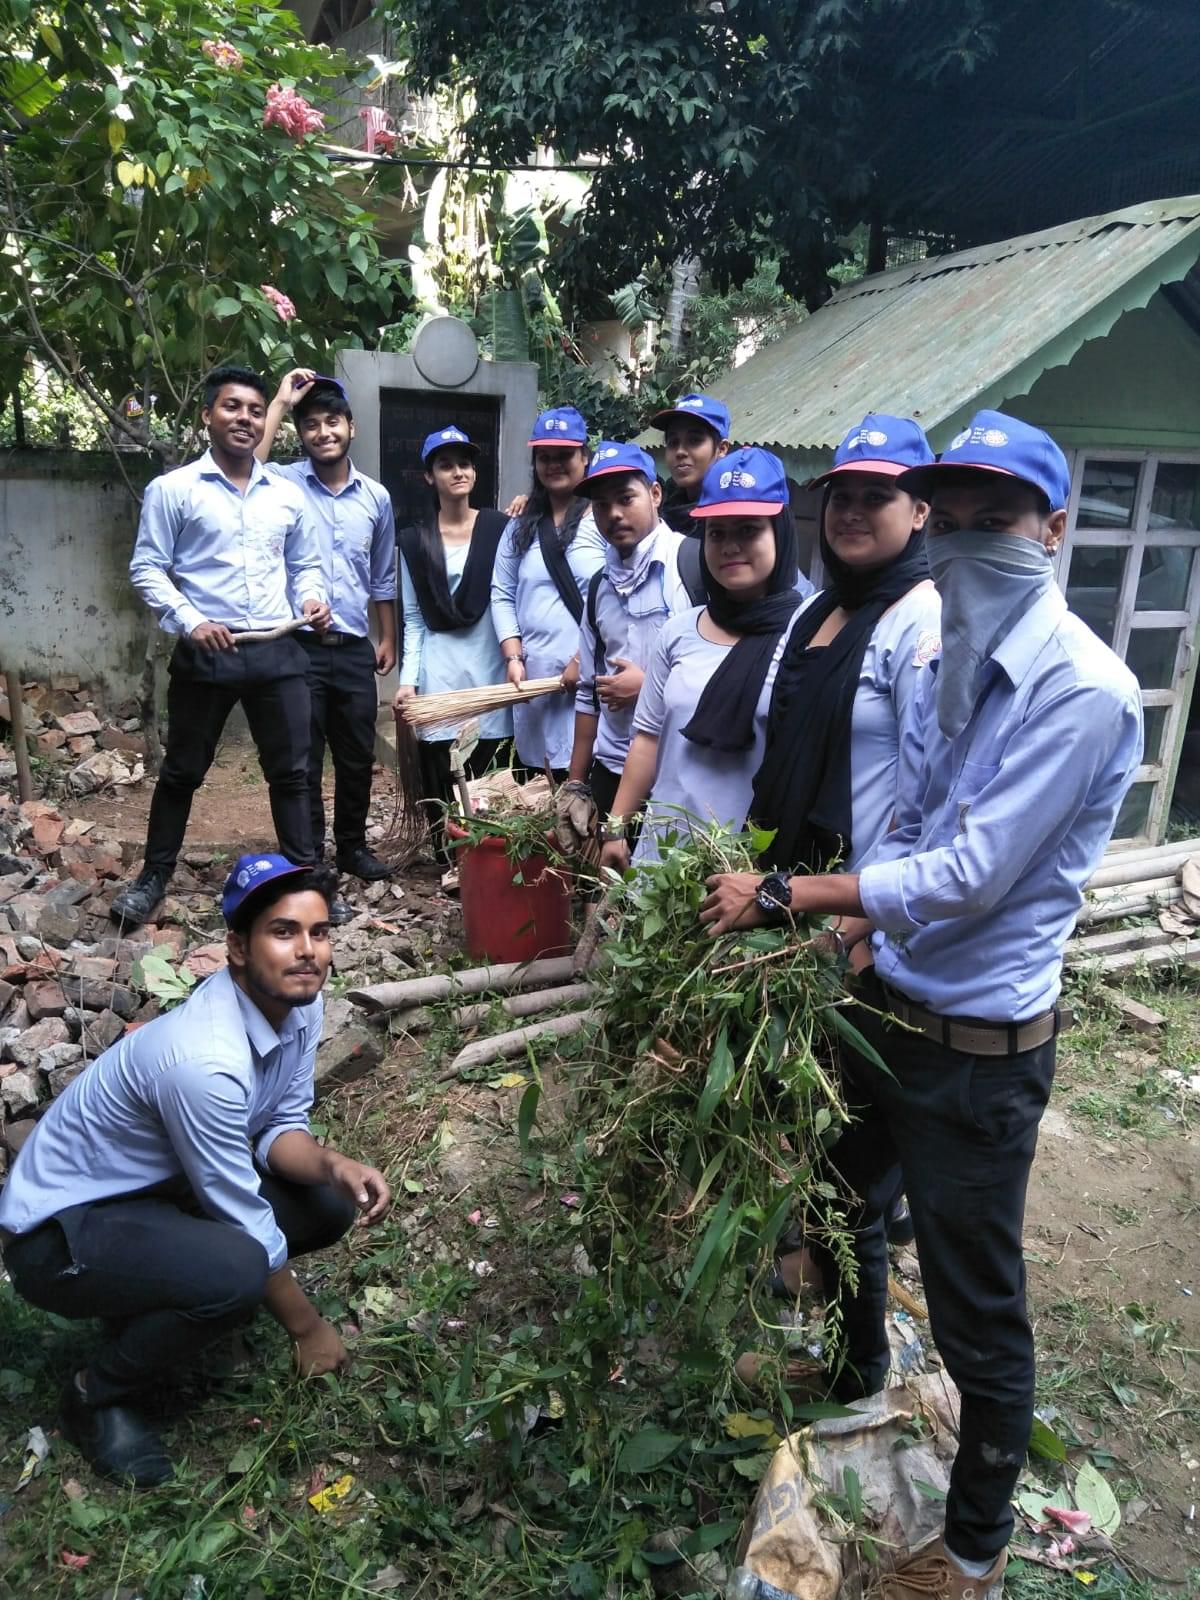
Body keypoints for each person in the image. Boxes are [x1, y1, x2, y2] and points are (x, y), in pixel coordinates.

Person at [699, 411, 1143, 1600]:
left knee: (974, 1304)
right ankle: (847, 1384)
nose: (960, 542)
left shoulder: (1084, 688)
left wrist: (792, 893)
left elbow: (969, 875)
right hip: (889, 1006)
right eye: (947, 520)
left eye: (991, 520)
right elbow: (905, 821)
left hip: (981, 1054)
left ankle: (977, 1549)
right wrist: (858, 918)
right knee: (841, 1205)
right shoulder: (943, 649)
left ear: (1050, 530)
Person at [0, 855, 391, 1488]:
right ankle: (94, 1395)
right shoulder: (204, 1062)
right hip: (56, 1235)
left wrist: (333, 1163)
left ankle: (149, 1298)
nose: (308, 951)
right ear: (237, 947)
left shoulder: (298, 1006)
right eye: (284, 932)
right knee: (235, 1273)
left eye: (319, 933)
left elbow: (277, 1126)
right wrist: (308, 1329)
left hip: (151, 1193)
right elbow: (243, 1214)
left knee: (325, 1200)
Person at [112, 367, 332, 927]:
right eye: (232, 407)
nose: (245, 419)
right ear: (208, 415)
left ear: (266, 422)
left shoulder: (286, 494)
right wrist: (190, 619)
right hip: (210, 649)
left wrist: (312, 599)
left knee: (293, 773)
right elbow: (147, 568)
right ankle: (153, 877)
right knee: (183, 771)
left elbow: (304, 565)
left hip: (279, 648)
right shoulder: (175, 490)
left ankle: (306, 882)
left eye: (256, 410)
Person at [597, 447, 803, 869]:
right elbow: (649, 738)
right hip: (662, 860)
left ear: (779, 533)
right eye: (716, 533)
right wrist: (617, 827)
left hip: (745, 870)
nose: (730, 546)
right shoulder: (679, 632)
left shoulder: (807, 634)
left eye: (748, 530)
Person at [257, 370, 397, 915]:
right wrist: (279, 401)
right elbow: (249, 463)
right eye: (310, 425)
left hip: (356, 645)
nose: (322, 432)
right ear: (301, 434)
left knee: (357, 755)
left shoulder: (377, 499)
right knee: (305, 759)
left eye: (331, 421)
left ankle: (354, 846)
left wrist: (386, 635)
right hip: (300, 647)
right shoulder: (284, 484)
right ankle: (311, 860)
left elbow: (382, 574)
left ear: (350, 428)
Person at [394, 426, 513, 858]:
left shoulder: (501, 530)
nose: (457, 472)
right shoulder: (413, 541)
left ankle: (488, 855)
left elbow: (508, 600)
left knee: (488, 771)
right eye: (445, 465)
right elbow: (411, 618)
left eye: (464, 463)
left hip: (488, 672)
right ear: (430, 477)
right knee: (443, 772)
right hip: (439, 676)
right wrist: (408, 681)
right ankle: (448, 858)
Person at [566, 443, 690, 819]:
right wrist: (575, 785)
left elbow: (719, 671)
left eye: (625, 498)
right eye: (602, 505)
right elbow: (588, 692)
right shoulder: (599, 586)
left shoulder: (691, 566)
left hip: (674, 777)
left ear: (655, 494)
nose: (614, 514)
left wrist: (649, 686)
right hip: (612, 766)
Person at [490, 407, 607, 780]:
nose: (554, 464)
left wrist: (582, 658)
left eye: (564, 455)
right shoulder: (519, 527)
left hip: (588, 687)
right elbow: (502, 593)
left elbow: (617, 599)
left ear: (584, 458)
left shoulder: (604, 520)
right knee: (536, 790)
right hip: (533, 686)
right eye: (545, 457)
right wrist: (513, 656)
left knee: (580, 789)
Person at [651, 392, 732, 534]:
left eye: (694, 440)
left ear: (721, 449)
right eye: (673, 442)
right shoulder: (665, 508)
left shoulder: (735, 511)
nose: (680, 452)